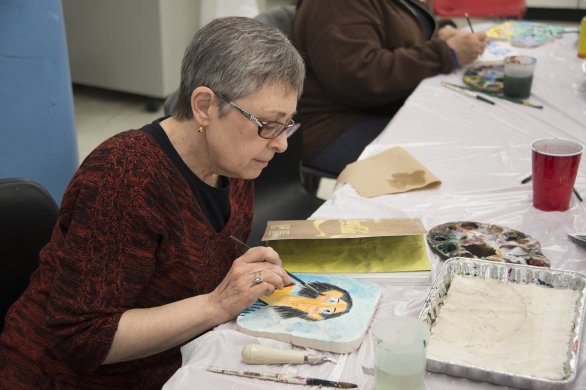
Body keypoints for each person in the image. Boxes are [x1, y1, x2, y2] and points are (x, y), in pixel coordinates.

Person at [0, 16, 305, 389]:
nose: (281, 143)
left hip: (172, 361)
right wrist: (216, 304)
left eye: (288, 123)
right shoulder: (124, 177)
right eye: (268, 124)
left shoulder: (233, 161)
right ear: (205, 106)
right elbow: (80, 336)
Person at [291, 0, 487, 175]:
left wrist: (440, 36)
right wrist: (444, 53)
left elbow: (398, 29)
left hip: (379, 109)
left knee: (466, 131)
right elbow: (363, 77)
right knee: (447, 159)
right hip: (335, 125)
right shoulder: (334, 6)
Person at [260, 281, 353, 321]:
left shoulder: (276, 316)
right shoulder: (283, 285)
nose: (323, 306)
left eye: (327, 311)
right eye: (332, 301)